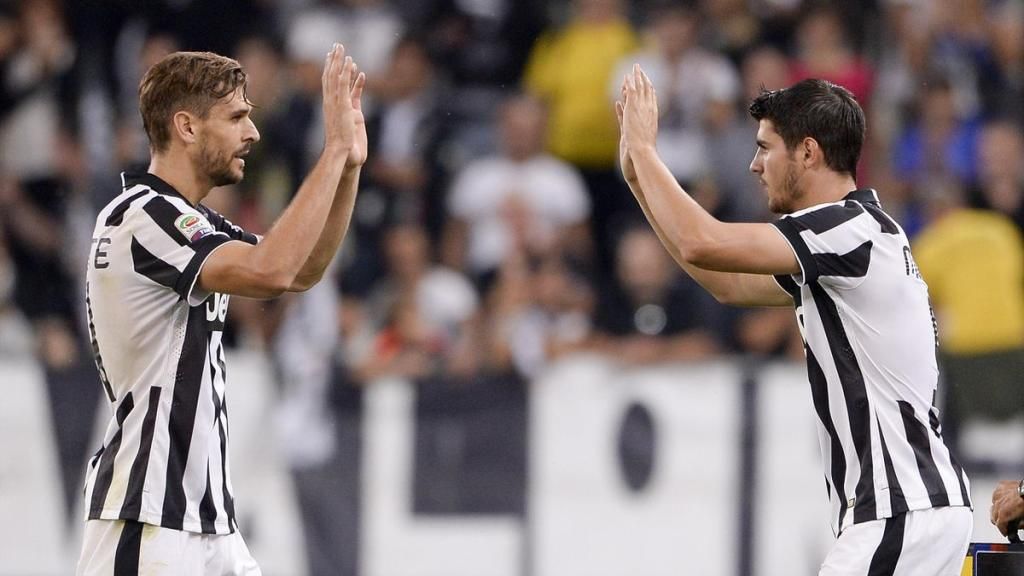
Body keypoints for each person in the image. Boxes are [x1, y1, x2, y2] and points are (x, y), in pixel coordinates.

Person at [617, 67, 972, 574]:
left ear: (808, 152)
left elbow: (703, 241)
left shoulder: (847, 231)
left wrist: (647, 152)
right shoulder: (853, 239)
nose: (754, 165)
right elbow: (726, 283)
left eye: (765, 148)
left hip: (899, 510)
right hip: (913, 509)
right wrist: (638, 178)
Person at [78, 45, 367, 575]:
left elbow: (300, 272)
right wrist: (330, 152)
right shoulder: (143, 216)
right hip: (150, 520)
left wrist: (347, 167)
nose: (252, 132)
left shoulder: (189, 221)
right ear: (186, 126)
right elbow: (271, 270)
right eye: (236, 117)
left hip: (209, 523)